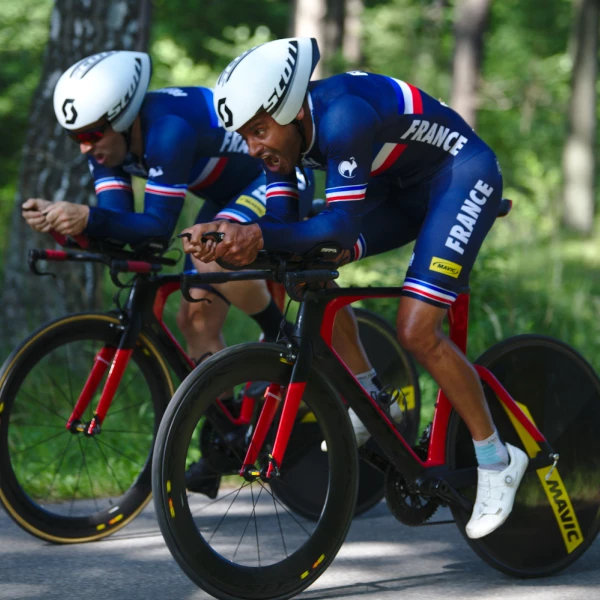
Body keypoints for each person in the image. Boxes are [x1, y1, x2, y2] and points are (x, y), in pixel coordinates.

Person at [180, 37, 529, 539]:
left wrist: (256, 235)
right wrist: (232, 238)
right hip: (400, 188)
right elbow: (281, 224)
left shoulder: (344, 117)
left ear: (294, 109)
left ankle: (497, 458)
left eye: (259, 131)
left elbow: (341, 227)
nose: (254, 147)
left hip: (459, 176)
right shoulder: (284, 141)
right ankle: (370, 394)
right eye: (244, 135)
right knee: (306, 266)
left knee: (417, 330)